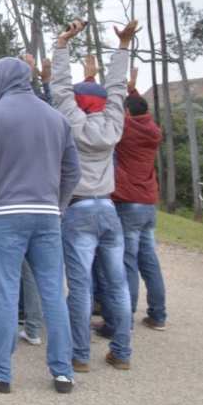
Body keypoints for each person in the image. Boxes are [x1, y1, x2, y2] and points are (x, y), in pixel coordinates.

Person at [0, 55, 81, 395]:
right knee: (52, 293)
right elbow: (73, 171)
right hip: (47, 214)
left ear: (1, 80)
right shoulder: (56, 117)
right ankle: (63, 372)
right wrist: (57, 205)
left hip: (5, 214)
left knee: (5, 295)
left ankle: (1, 373)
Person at [51, 20, 138, 372]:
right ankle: (122, 352)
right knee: (116, 284)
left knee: (82, 286)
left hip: (78, 209)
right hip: (108, 208)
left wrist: (62, 44)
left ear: (77, 102)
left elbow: (59, 88)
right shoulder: (113, 123)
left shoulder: (71, 122)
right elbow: (117, 89)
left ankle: (80, 355)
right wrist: (123, 46)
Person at [109, 67, 167, 331]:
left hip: (127, 203)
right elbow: (142, 111)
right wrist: (131, 89)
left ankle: (126, 318)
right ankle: (158, 315)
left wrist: (122, 91)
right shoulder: (152, 129)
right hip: (148, 204)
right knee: (149, 260)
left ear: (127, 114)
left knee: (127, 262)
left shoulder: (126, 128)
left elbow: (112, 114)